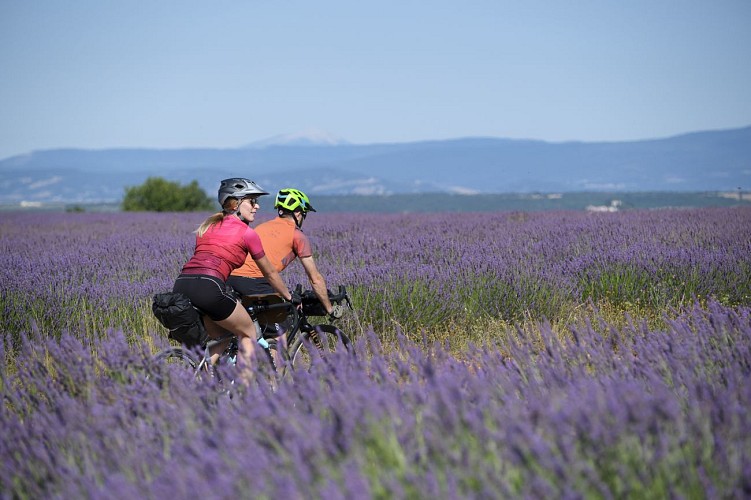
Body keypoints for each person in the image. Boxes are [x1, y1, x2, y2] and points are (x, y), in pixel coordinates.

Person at [172, 178, 293, 378]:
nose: (257, 206)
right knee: (248, 333)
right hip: (210, 287)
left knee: (222, 337)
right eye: (252, 201)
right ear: (236, 203)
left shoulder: (207, 227)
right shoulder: (247, 233)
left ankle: (199, 382)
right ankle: (242, 396)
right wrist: (288, 297)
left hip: (182, 284)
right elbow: (270, 272)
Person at [228, 188, 343, 326]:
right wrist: (329, 308)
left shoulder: (261, 227)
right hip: (256, 282)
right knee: (278, 333)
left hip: (231, 278)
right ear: (299, 213)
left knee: (246, 328)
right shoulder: (297, 236)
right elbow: (315, 279)